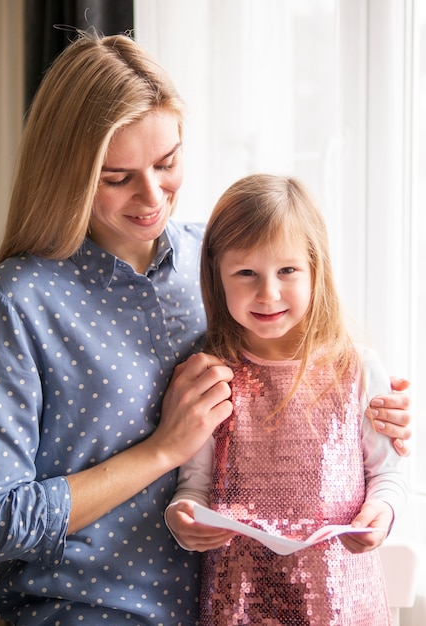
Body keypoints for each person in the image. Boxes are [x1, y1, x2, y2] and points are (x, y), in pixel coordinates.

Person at [0, 32, 410, 626]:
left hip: (240, 608)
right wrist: (162, 450)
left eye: (166, 163)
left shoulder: (221, 260)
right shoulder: (17, 302)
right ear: (68, 172)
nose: (152, 197)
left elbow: (313, 353)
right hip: (90, 612)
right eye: (117, 177)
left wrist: (374, 411)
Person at [165, 173, 408, 626]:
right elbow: (194, 486)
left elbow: (387, 476)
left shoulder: (357, 369)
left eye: (288, 271)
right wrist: (183, 518)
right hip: (238, 603)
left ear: (316, 268)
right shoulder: (211, 375)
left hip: (345, 603)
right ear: (217, 277)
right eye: (246, 273)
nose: (268, 293)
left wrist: (381, 512)